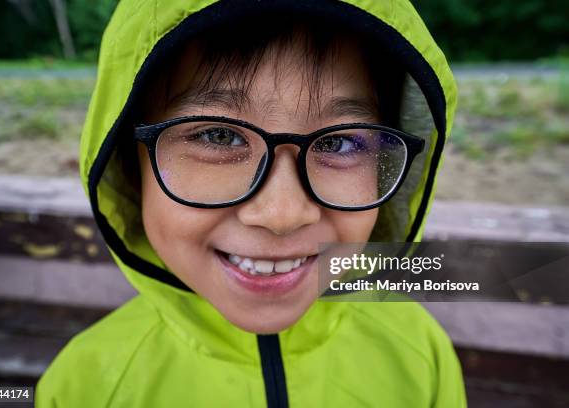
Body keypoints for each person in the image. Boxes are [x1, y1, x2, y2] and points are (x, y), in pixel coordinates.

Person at [36, 0, 466, 407]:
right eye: (218, 135)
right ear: (130, 168)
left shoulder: (417, 355)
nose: (282, 214)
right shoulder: (85, 385)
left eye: (339, 142)